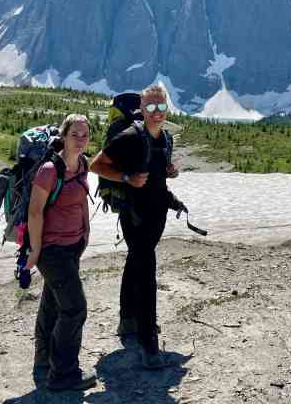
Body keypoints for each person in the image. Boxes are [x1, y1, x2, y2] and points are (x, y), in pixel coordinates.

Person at [90, 85, 184, 369]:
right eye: (151, 108)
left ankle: (127, 319)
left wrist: (170, 171)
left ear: (167, 109)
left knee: (136, 262)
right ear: (142, 110)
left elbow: (160, 173)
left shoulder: (165, 138)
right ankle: (148, 343)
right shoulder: (130, 137)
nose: (157, 113)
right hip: (134, 216)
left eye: (161, 107)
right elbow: (96, 165)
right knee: (147, 273)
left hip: (156, 215)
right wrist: (126, 178)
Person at [26, 113, 97, 391]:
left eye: (85, 135)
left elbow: (81, 200)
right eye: (74, 135)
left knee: (53, 304)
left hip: (72, 246)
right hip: (52, 250)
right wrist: (35, 251)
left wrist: (86, 230)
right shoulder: (48, 170)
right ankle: (64, 375)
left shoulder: (82, 165)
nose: (80, 140)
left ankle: (44, 362)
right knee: (75, 309)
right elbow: (34, 212)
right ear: (63, 137)